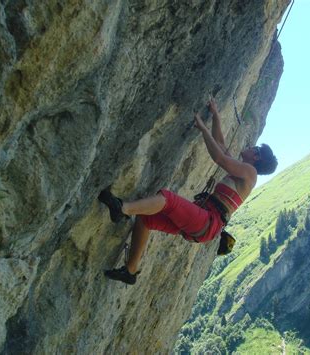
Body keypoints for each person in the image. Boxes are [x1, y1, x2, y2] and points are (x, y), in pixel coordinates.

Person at [99, 98, 278, 285]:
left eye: (255, 148)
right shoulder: (243, 172)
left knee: (167, 199)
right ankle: (130, 270)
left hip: (208, 221)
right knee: (145, 219)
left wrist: (203, 129)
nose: (250, 146)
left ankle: (122, 209)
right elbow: (221, 145)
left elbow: (219, 158)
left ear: (256, 156)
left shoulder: (250, 173)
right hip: (204, 224)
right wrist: (216, 115)